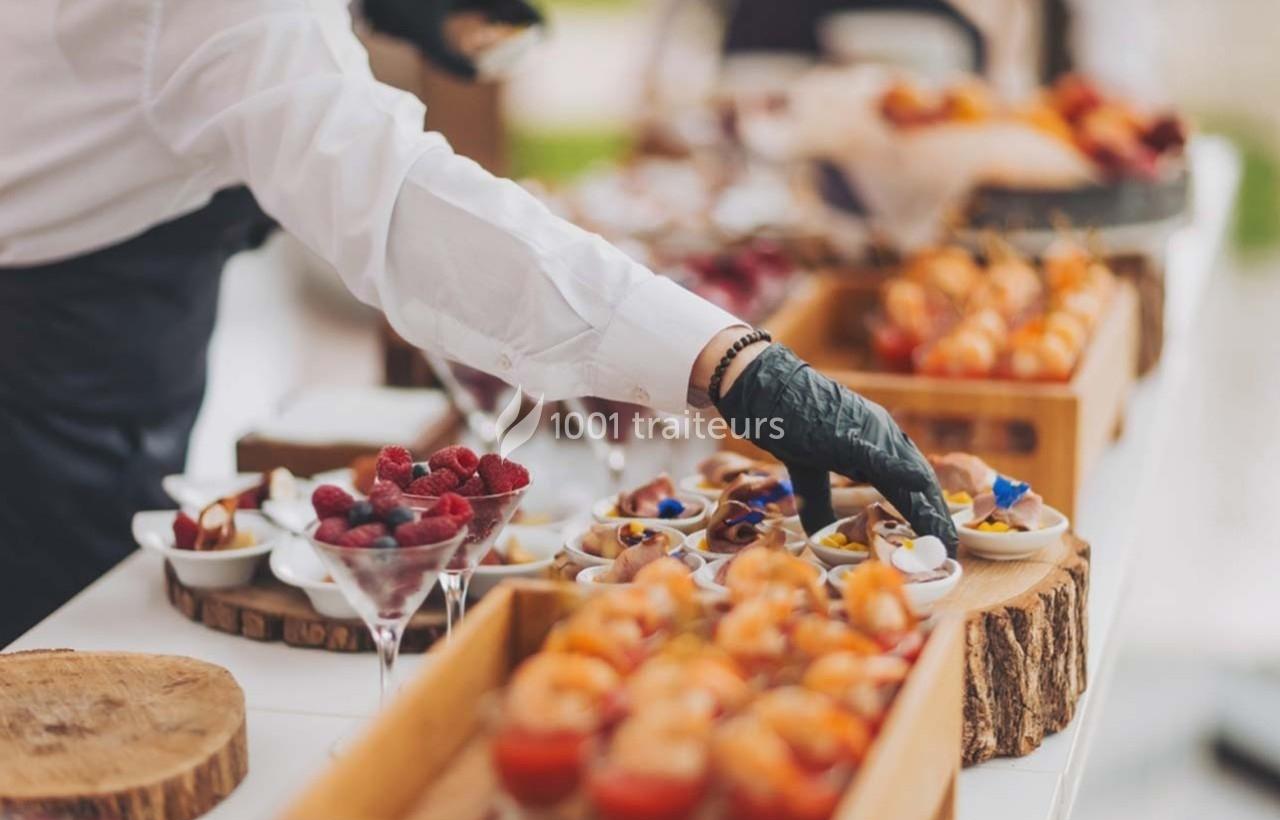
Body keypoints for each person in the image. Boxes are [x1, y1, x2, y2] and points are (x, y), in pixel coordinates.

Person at [0, 0, 954, 645]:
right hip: (51, 323)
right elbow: (399, 206)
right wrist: (735, 366)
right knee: (61, 650)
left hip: (111, 247)